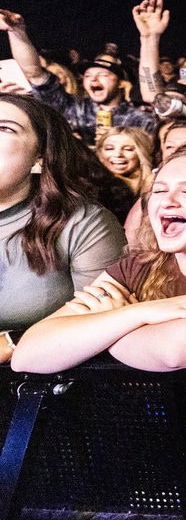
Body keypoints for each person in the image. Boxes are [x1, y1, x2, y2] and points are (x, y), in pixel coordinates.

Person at [12, 143, 186, 373]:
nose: (168, 200)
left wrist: (102, 327)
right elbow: (28, 354)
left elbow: (174, 352)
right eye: (159, 190)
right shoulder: (139, 265)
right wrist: (136, 313)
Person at [0, 95, 127, 363]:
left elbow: (103, 319)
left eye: (4, 128)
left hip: (42, 390)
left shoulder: (83, 223)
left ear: (41, 158)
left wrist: (12, 341)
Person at [0, 9, 156, 143]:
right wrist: (17, 31)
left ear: (121, 83)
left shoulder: (140, 119)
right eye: (88, 75)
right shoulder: (73, 108)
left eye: (103, 75)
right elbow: (33, 73)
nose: (94, 79)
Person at [96, 126, 155, 198]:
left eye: (128, 149)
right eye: (109, 148)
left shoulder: (154, 184)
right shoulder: (92, 186)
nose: (118, 154)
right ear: (100, 152)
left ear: (142, 154)